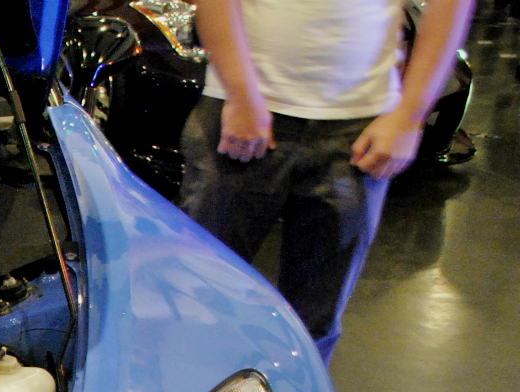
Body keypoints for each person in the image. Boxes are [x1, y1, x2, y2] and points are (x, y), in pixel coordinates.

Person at [181, 0, 476, 363]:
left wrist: (409, 116)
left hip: (357, 125)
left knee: (315, 319)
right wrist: (241, 94)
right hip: (240, 112)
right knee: (200, 298)